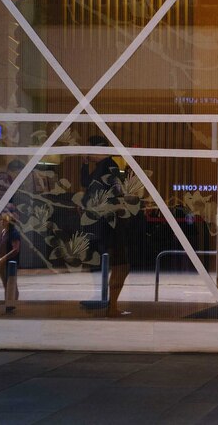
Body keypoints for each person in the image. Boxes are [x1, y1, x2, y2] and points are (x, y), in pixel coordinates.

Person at [79, 135, 128, 317]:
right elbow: (85, 183)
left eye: (88, 148)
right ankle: (105, 299)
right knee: (98, 258)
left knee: (111, 260)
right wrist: (84, 164)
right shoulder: (99, 167)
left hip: (105, 222)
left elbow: (117, 191)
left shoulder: (110, 166)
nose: (85, 152)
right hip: (97, 222)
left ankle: (109, 302)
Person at [0, 204, 21, 300]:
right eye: (1, 220)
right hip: (2, 264)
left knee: (11, 286)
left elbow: (15, 249)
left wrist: (3, 258)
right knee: (6, 285)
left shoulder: (13, 233)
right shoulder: (3, 232)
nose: (1, 222)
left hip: (9, 263)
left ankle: (12, 305)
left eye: (3, 220)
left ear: (8, 222)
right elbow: (0, 246)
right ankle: (8, 304)